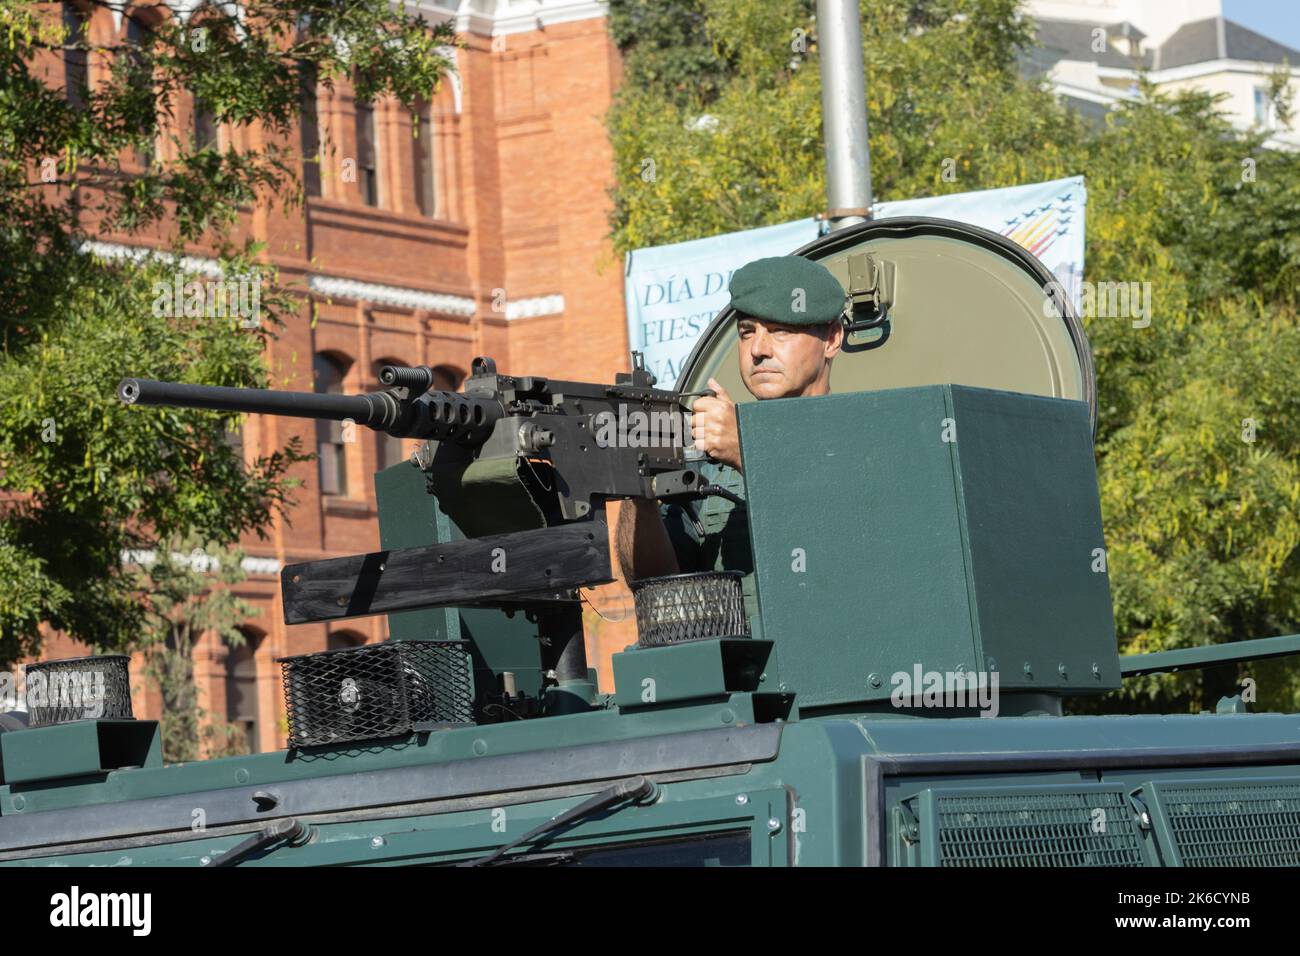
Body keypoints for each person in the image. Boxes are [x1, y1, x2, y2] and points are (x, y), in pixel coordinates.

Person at [616, 255, 847, 607]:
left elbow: (847, 547)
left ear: (831, 339)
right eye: (747, 332)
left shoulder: (864, 438)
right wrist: (640, 494)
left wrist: (743, 454)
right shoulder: (709, 462)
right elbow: (657, 590)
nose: (758, 349)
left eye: (781, 330)